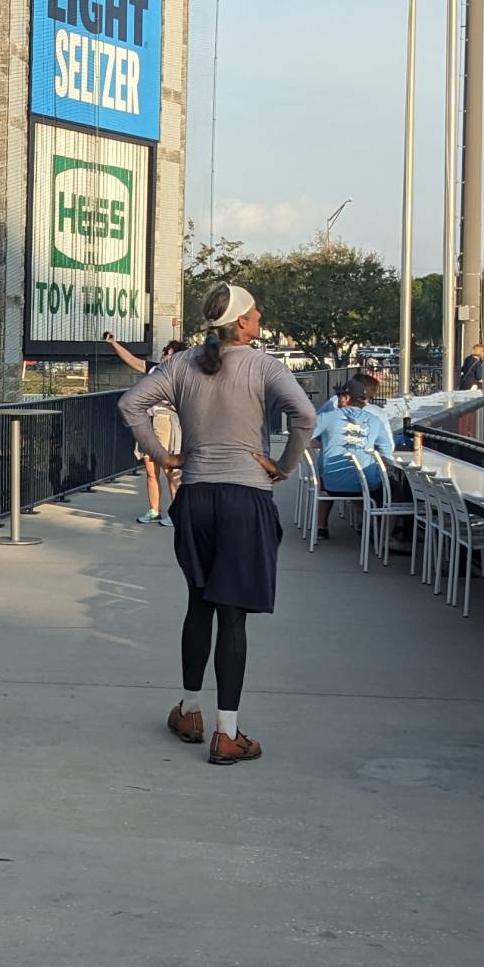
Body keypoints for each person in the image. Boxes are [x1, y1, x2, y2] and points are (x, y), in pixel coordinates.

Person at [118, 283, 313, 767]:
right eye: (256, 313)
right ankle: (228, 733)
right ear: (242, 323)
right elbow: (304, 415)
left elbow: (130, 406)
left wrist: (164, 457)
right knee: (233, 616)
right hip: (246, 497)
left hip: (197, 496)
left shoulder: (181, 364)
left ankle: (188, 710)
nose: (260, 317)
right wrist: (283, 465)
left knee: (198, 604)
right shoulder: (265, 366)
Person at [105, 330, 187, 524]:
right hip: (147, 419)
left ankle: (176, 513)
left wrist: (173, 405)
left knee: (170, 469)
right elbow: (132, 360)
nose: (164, 353)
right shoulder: (155, 370)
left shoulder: (182, 377)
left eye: (167, 351)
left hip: (165, 420)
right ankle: (153, 510)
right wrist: (114, 344)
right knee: (150, 469)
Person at [310, 375, 398, 534]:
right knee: (393, 490)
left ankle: (326, 526)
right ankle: (383, 535)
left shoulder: (327, 418)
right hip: (364, 486)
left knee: (343, 476)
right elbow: (387, 451)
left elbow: (303, 437)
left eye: (340, 395)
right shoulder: (375, 420)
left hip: (331, 484)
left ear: (345, 398)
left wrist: (326, 443)